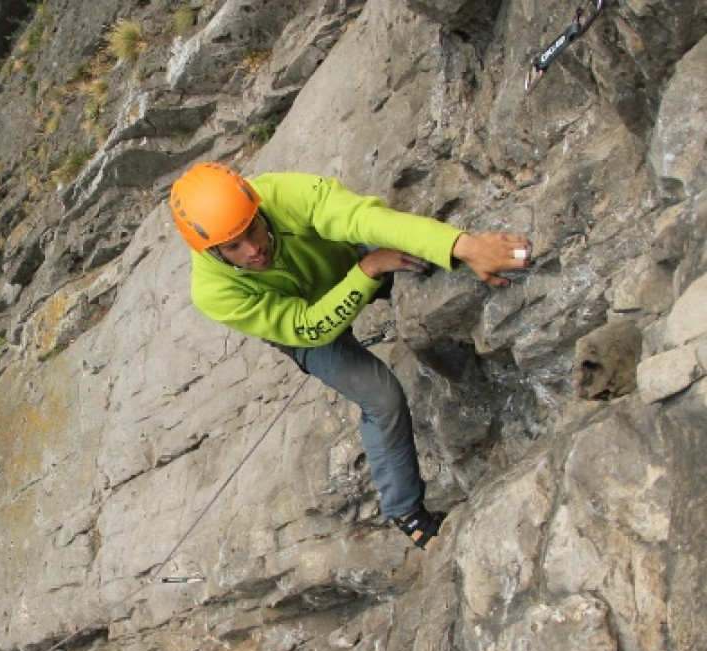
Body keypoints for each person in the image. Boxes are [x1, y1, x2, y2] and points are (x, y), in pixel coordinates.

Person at [169, 163, 532, 548]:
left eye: (254, 229)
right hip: (305, 326)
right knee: (382, 398)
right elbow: (308, 327)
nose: (254, 249)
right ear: (211, 250)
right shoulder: (212, 291)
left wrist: (464, 245)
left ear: (258, 209)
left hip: (345, 260)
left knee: (428, 259)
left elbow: (364, 219)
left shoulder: (286, 195)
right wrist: (369, 270)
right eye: (233, 246)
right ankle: (406, 511)